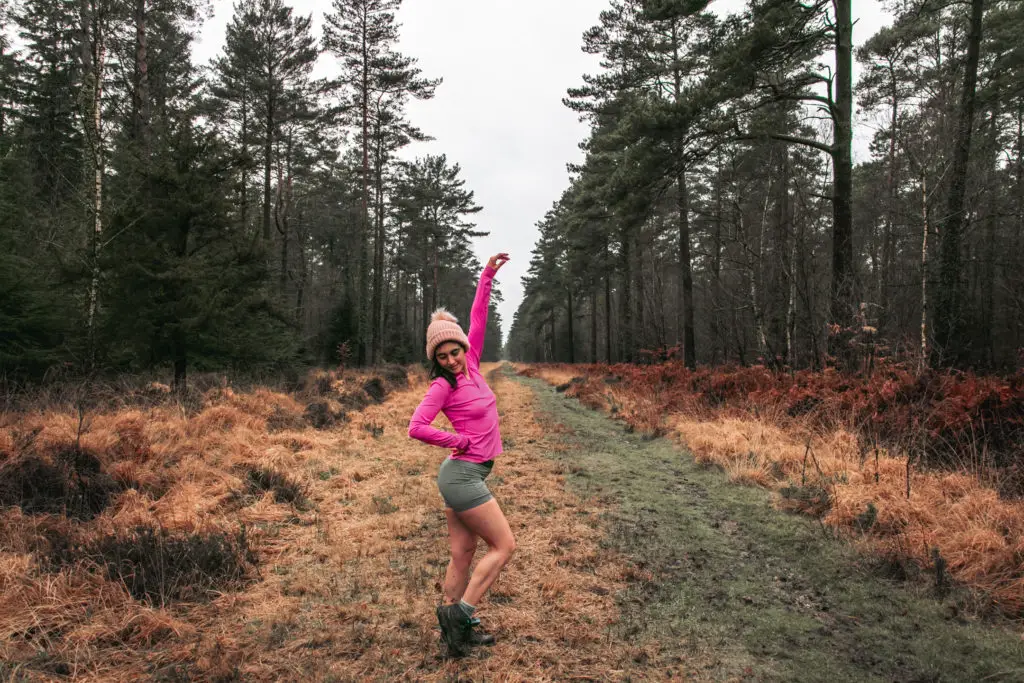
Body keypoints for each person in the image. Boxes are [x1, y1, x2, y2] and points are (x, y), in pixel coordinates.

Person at [407, 253, 515, 657]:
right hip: (462, 476)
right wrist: (456, 440)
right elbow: (416, 426)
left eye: (454, 351)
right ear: (435, 359)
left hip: (465, 475)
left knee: (463, 553)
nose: (451, 360)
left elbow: (478, 316)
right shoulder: (442, 386)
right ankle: (463, 617)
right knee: (504, 546)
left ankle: (451, 630)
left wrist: (486, 275)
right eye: (442, 356)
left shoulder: (472, 365)